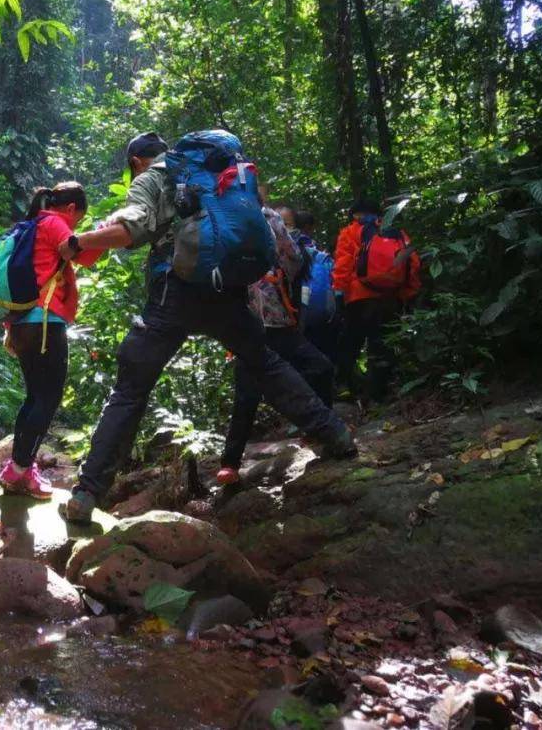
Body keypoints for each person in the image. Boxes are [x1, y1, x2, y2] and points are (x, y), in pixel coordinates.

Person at [57, 132, 356, 524]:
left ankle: (87, 494)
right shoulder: (218, 177)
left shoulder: (154, 178)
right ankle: (335, 435)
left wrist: (78, 242)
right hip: (227, 292)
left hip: (174, 295)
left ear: (134, 162)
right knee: (264, 362)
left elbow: (133, 229)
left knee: (130, 390)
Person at [0, 182, 103, 499]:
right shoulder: (55, 223)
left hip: (22, 323)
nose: (77, 226)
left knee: (34, 397)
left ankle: (21, 468)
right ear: (71, 209)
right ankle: (17, 470)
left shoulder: (32, 224)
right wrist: (105, 234)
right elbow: (81, 255)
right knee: (48, 398)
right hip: (45, 321)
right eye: (79, 220)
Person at [218, 202, 335, 484]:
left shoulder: (272, 251)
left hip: (280, 327)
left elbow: (294, 259)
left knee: (320, 368)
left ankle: (319, 431)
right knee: (247, 397)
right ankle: (230, 463)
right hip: (252, 331)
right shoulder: (234, 245)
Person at [332, 198, 421, 404]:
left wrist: (339, 293)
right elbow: (412, 262)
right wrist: (407, 292)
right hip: (390, 296)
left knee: (351, 342)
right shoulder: (396, 232)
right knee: (381, 343)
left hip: (359, 297)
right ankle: (379, 392)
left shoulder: (351, 231)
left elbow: (343, 264)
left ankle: (344, 385)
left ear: (355, 215)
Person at [289, 209, 340, 365]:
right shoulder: (318, 253)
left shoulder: (284, 249)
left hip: (295, 315)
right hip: (321, 315)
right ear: (310, 227)